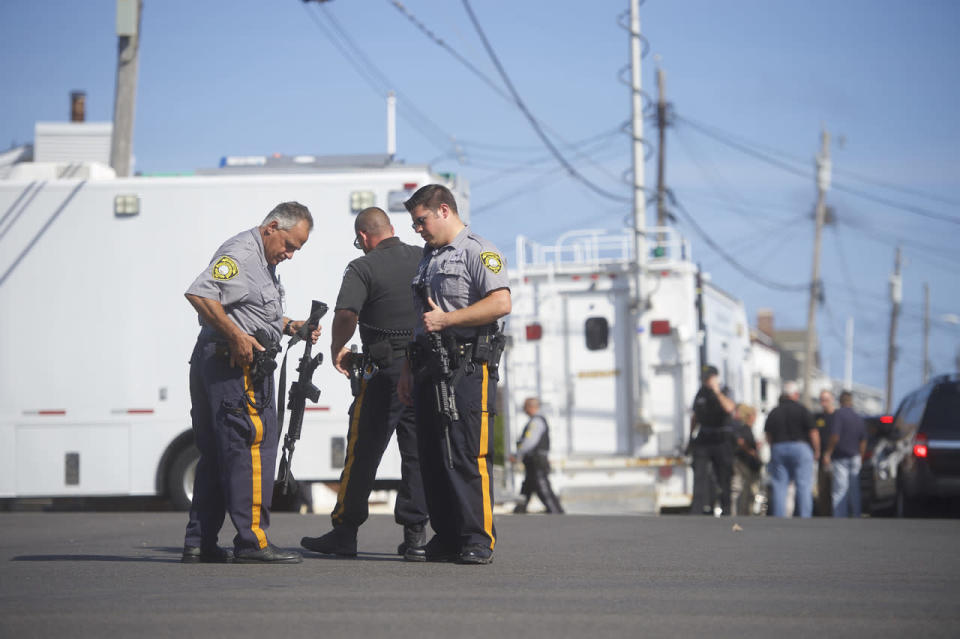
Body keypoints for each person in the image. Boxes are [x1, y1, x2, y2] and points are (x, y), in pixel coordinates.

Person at [182, 202, 320, 564]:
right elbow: (199, 293)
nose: (290, 255)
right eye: (290, 245)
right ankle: (252, 541)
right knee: (253, 449)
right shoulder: (242, 253)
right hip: (234, 366)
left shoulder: (264, 262)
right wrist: (236, 336)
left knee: (215, 456)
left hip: (223, 363)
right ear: (272, 226)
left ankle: (200, 543)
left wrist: (292, 327)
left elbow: (252, 310)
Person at [300, 207, 429, 557]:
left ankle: (345, 533)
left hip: (384, 370)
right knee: (417, 453)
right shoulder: (422, 256)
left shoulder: (362, 266)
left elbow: (346, 314)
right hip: (422, 368)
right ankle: (416, 536)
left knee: (363, 450)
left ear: (363, 237)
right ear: (391, 229)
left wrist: (337, 346)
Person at [397, 184, 510, 565]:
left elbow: (500, 302)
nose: (417, 229)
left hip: (466, 366)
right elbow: (422, 320)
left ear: (443, 210)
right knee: (431, 454)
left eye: (421, 221)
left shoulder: (478, 250)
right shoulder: (428, 258)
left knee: (465, 453)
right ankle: (446, 536)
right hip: (429, 365)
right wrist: (408, 371)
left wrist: (448, 319)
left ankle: (477, 538)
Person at [764, 381, 820, 518]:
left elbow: (768, 434)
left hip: (779, 448)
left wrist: (773, 449)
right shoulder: (802, 410)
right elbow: (813, 432)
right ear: (795, 394)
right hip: (801, 448)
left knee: (779, 485)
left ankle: (779, 516)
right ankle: (804, 516)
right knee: (804, 485)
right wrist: (817, 451)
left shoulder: (775, 411)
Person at [689, 366, 736, 516]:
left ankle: (726, 510)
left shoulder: (725, 391)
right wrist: (690, 438)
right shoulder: (701, 393)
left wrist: (717, 391)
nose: (706, 381)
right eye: (705, 378)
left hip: (721, 439)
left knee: (724, 476)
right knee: (700, 475)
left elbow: (729, 408)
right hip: (704, 437)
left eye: (709, 378)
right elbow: (695, 416)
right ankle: (696, 510)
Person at [511, 397, 564, 514]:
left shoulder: (536, 421)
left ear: (531, 407)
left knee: (543, 489)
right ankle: (519, 511)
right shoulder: (536, 420)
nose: (524, 409)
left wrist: (517, 454)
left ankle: (557, 514)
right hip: (533, 462)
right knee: (527, 488)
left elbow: (529, 442)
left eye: (525, 407)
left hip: (536, 462)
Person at [823, 390, 867, 517]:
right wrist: (861, 456)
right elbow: (863, 440)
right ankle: (856, 514)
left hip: (840, 457)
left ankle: (840, 517)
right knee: (854, 489)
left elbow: (835, 436)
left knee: (840, 489)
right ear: (851, 402)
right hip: (855, 456)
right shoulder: (858, 417)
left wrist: (828, 452)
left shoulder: (838, 415)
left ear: (840, 401)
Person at [730, 403, 762, 516]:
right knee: (739, 489)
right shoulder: (743, 427)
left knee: (747, 491)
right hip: (742, 463)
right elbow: (741, 442)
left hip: (747, 464)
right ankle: (737, 513)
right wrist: (751, 451)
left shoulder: (747, 428)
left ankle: (744, 512)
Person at [813, 389, 837, 516]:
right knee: (823, 490)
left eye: (826, 400)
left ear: (832, 400)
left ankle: (837, 514)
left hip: (836, 459)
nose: (823, 403)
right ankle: (824, 516)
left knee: (836, 489)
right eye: (821, 400)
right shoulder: (817, 418)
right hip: (822, 460)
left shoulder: (837, 417)